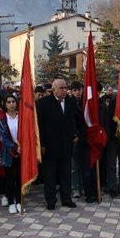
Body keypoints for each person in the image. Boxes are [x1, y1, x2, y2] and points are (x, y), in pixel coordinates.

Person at [38, 78, 78, 210]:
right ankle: (51, 200)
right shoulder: (44, 103)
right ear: (54, 89)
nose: (64, 90)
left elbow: (77, 119)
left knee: (66, 174)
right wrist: (42, 144)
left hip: (66, 145)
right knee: (50, 175)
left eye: (65, 87)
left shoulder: (71, 102)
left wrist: (77, 134)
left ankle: (66, 198)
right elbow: (40, 126)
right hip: (50, 147)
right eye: (61, 88)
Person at [0, 94, 22, 214]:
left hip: (22, 152)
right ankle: (11, 202)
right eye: (9, 102)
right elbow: (3, 138)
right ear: (5, 104)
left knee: (19, 178)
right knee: (10, 178)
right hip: (9, 153)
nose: (11, 104)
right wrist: (14, 147)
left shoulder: (21, 118)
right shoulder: (2, 120)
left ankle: (18, 201)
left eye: (13, 101)